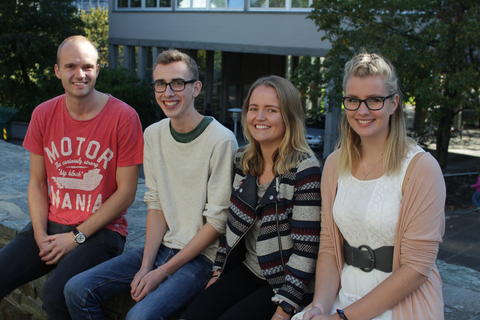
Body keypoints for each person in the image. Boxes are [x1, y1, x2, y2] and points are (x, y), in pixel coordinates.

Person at [64, 49, 238, 320]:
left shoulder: (221, 140)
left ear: (196, 88)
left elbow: (216, 223)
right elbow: (155, 204)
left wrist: (162, 272)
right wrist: (146, 265)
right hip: (161, 248)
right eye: (160, 84)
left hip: (202, 259)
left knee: (138, 317)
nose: (168, 92)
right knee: (77, 289)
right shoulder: (154, 134)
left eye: (178, 83)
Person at [0, 35, 144, 319]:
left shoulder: (124, 117)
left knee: (57, 295)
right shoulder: (43, 114)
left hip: (103, 231)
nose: (80, 74)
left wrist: (76, 237)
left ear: (98, 70)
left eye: (88, 67)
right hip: (52, 224)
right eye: (71, 66)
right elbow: (38, 183)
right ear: (57, 71)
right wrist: (40, 234)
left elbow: (126, 192)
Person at [294, 52, 446, 320]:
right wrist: (319, 305)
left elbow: (416, 269)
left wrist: (342, 318)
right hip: (344, 297)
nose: (362, 111)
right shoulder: (334, 164)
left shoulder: (421, 168)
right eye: (353, 100)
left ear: (394, 103)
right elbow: (330, 246)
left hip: (401, 305)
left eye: (374, 100)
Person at [180, 75, 322, 320]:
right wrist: (218, 271)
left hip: (284, 282)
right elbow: (231, 224)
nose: (260, 117)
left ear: (288, 116)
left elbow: (306, 249)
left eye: (271, 110)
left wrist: (284, 308)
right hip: (249, 270)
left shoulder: (304, 170)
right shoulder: (243, 160)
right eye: (254, 109)